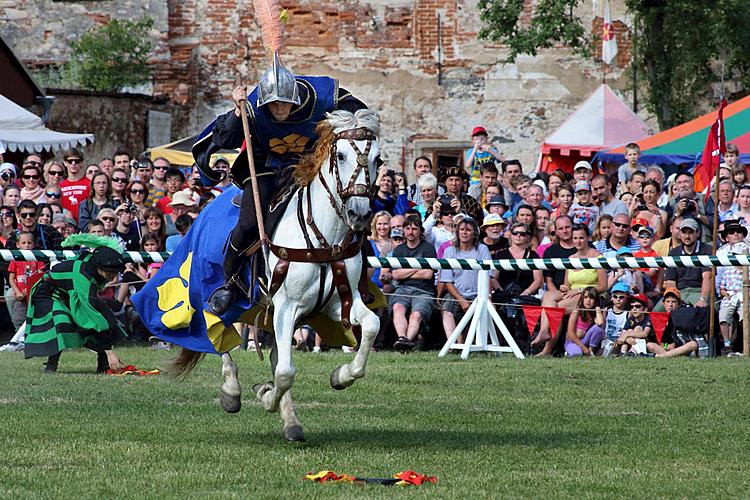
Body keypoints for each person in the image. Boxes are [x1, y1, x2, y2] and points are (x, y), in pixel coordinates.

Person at [193, 53, 368, 314]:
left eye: (283, 105)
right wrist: (237, 111)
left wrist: (359, 124)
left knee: (352, 215)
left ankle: (361, 282)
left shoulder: (321, 96)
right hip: (266, 167)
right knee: (248, 224)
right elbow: (224, 137)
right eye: (272, 106)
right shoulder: (252, 106)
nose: (278, 111)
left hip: (310, 165)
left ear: (294, 99)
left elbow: (357, 109)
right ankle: (229, 283)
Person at [24, 235, 128, 374]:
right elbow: (87, 317)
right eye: (110, 272)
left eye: (115, 272)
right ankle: (51, 365)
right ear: (99, 266)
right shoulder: (83, 278)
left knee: (106, 318)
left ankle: (103, 366)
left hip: (69, 293)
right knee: (62, 321)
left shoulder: (94, 263)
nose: (113, 275)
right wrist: (109, 351)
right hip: (48, 294)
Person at [439, 217, 491, 343]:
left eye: (468, 230)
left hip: (478, 294)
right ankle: (453, 344)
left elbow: (488, 275)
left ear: (474, 233)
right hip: (456, 294)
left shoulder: (482, 249)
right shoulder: (449, 251)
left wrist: (486, 296)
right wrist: (461, 300)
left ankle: (472, 343)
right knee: (447, 310)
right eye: (461, 229)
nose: (464, 232)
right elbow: (447, 281)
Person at [390, 215, 437, 351]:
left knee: (416, 314)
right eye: (408, 228)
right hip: (402, 289)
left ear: (420, 231)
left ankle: (407, 341)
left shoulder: (428, 249)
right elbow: (396, 275)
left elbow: (428, 274)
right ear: (403, 230)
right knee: (397, 308)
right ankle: (402, 339)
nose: (411, 232)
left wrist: (406, 271)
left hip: (424, 291)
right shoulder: (399, 250)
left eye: (414, 229)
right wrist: (418, 267)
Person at [654, 218, 712, 310]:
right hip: (679, 292)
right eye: (684, 232)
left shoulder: (707, 250)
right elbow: (670, 281)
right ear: (680, 234)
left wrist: (702, 299)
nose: (687, 236)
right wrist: (673, 299)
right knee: (657, 311)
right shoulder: (673, 253)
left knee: (700, 309)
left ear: (697, 233)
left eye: (690, 232)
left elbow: (708, 277)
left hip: (698, 291)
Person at [7, 231, 46, 330]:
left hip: (33, 293)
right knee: (19, 316)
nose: (26, 245)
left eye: (29, 243)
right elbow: (11, 278)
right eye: (23, 243)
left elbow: (40, 275)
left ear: (33, 244)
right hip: (20, 294)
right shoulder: (15, 259)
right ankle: (18, 335)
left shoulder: (36, 258)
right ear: (18, 245)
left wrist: (30, 288)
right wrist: (17, 291)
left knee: (34, 316)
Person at [493, 222, 541, 297]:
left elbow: (538, 280)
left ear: (527, 236)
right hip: (503, 298)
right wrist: (502, 293)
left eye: (522, 234)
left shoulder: (534, 255)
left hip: (526, 298)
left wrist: (525, 293)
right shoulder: (500, 254)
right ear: (511, 235)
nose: (518, 235)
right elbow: (493, 278)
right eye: (515, 233)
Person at [564, 287, 604, 357]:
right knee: (577, 354)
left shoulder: (592, 313)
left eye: (591, 298)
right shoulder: (576, 311)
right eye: (585, 297)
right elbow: (570, 333)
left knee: (599, 329)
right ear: (582, 299)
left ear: (595, 300)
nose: (588, 300)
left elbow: (600, 323)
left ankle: (590, 351)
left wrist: (598, 309)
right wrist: (583, 348)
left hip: (584, 340)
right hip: (573, 342)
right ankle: (571, 352)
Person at [59, 148, 91, 222]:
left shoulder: (89, 184)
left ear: (81, 163)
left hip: (84, 222)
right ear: (65, 163)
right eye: (70, 161)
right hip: (66, 223)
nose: (73, 163)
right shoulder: (60, 186)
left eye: (76, 161)